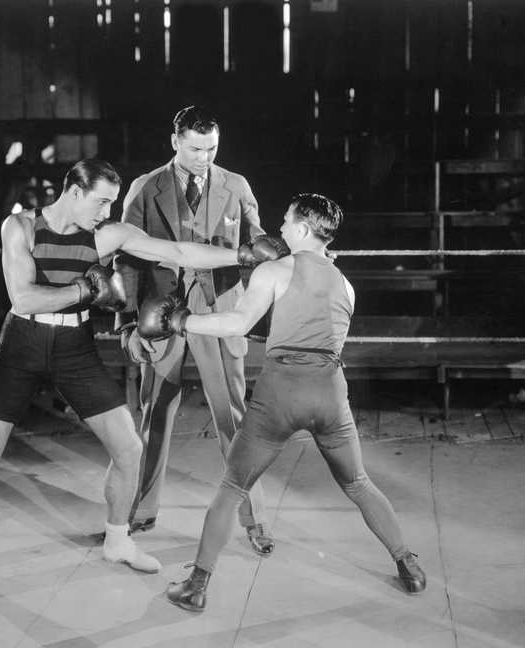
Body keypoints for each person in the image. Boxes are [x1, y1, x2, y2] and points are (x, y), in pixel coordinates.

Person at [0, 158, 284, 590]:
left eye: (112, 203)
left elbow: (177, 251)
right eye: (101, 202)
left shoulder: (105, 235)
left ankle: (117, 540)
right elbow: (24, 297)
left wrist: (241, 255)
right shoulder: (19, 227)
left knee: (129, 448)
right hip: (22, 344)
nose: (106, 213)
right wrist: (85, 290)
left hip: (74, 346)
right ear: (73, 191)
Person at [135, 193, 427, 611]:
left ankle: (197, 584)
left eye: (288, 221)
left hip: (282, 391)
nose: (282, 227)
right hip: (330, 391)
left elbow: (237, 323)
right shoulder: (346, 283)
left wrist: (182, 320)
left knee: (234, 485)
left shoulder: (276, 269)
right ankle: (409, 567)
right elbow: (317, 332)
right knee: (358, 482)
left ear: (305, 229)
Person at [113, 106, 277, 554]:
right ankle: (136, 512)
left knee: (236, 419)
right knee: (153, 412)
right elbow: (125, 256)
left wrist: (303, 257)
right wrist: (127, 322)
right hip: (160, 313)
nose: (204, 157)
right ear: (175, 141)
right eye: (194, 148)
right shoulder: (146, 187)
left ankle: (255, 518)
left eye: (212, 148)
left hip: (218, 313)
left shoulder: (236, 185)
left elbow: (260, 244)